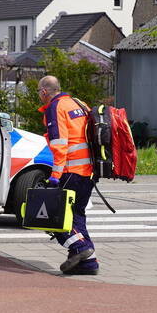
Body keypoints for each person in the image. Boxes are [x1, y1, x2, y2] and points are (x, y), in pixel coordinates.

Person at [38, 75, 99, 275]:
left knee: (54, 216)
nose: (39, 96)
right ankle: (88, 264)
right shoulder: (79, 104)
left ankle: (81, 249)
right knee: (76, 215)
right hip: (88, 171)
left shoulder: (55, 108)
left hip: (70, 170)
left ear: (45, 92)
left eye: (39, 92)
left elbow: (59, 146)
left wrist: (55, 177)